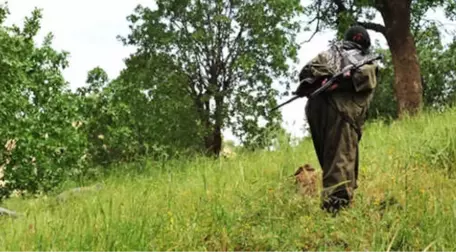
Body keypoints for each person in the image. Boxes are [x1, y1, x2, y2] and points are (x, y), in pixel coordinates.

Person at [294, 25, 380, 214]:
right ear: (365, 44)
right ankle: (336, 209)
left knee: (329, 157)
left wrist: (325, 82)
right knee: (340, 159)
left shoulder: (327, 54)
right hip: (342, 113)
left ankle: (335, 200)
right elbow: (366, 79)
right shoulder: (368, 60)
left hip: (316, 110)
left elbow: (305, 74)